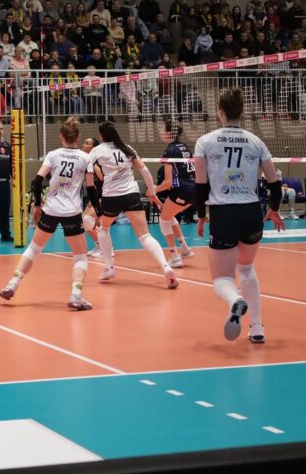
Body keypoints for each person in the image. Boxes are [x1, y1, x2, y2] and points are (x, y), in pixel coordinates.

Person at [194, 88, 285, 343]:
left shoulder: (205, 142)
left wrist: (201, 215)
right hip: (251, 212)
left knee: (221, 278)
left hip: (223, 213)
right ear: (242, 112)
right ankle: (256, 328)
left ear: (220, 112)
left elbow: (200, 185)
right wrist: (275, 209)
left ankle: (235, 300)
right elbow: (275, 183)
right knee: (246, 269)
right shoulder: (256, 141)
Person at [0, 118, 93, 309]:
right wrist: (97, 211)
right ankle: (76, 294)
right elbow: (91, 189)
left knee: (34, 248)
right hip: (72, 212)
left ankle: (13, 283)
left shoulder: (53, 154)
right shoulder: (85, 157)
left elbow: (36, 181)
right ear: (78, 137)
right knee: (80, 256)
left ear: (61, 136)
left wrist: (37, 204)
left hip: (51, 209)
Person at [86, 120, 177, 289]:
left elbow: (88, 174)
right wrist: (152, 192)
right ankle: (166, 267)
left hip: (111, 196)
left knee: (103, 229)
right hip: (131, 195)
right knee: (145, 236)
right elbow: (145, 171)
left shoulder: (97, 150)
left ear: (101, 135)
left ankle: (109, 268)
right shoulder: (127, 148)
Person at [152, 121, 197, 267]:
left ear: (169, 133)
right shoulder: (185, 147)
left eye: (162, 129)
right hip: (194, 190)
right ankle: (185, 249)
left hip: (182, 190)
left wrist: (153, 189)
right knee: (169, 215)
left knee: (163, 220)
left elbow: (168, 182)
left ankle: (175, 257)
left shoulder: (170, 151)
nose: (161, 132)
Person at [79, 137, 110, 259]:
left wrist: (94, 165)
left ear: (93, 148)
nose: (83, 145)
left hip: (105, 196)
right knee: (84, 221)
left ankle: (107, 248)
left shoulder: (98, 162)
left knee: (88, 219)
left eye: (87, 143)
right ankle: (98, 245)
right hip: (95, 197)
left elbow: (105, 180)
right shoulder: (87, 161)